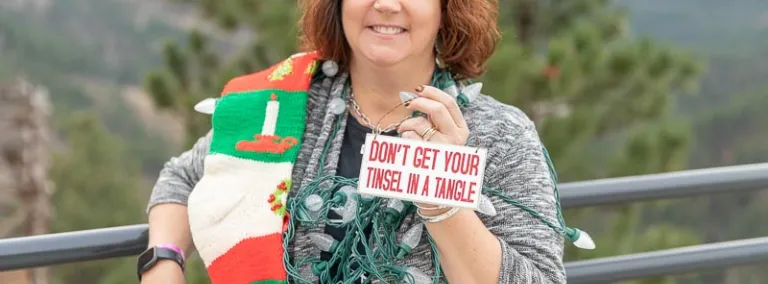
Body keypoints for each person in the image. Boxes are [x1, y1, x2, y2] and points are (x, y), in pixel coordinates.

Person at [137, 0, 577, 283]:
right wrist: (164, 261)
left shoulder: (499, 133)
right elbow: (185, 177)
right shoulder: (286, 104)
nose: (386, 5)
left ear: (447, 8)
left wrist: (443, 199)